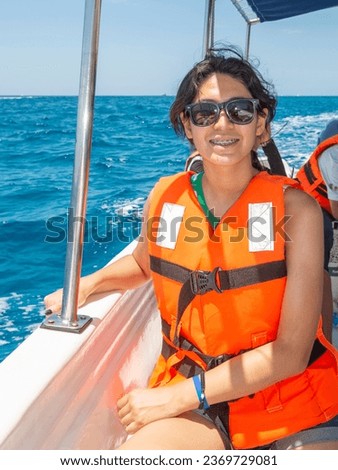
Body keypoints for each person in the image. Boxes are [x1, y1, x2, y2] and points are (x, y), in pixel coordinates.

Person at [44, 47, 338, 450]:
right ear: (188, 125)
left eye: (240, 110)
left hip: (286, 395)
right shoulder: (166, 198)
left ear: (262, 126)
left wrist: (174, 398)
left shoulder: (295, 210)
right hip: (194, 392)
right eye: (205, 113)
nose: (222, 123)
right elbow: (144, 264)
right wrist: (89, 284)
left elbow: (290, 353)